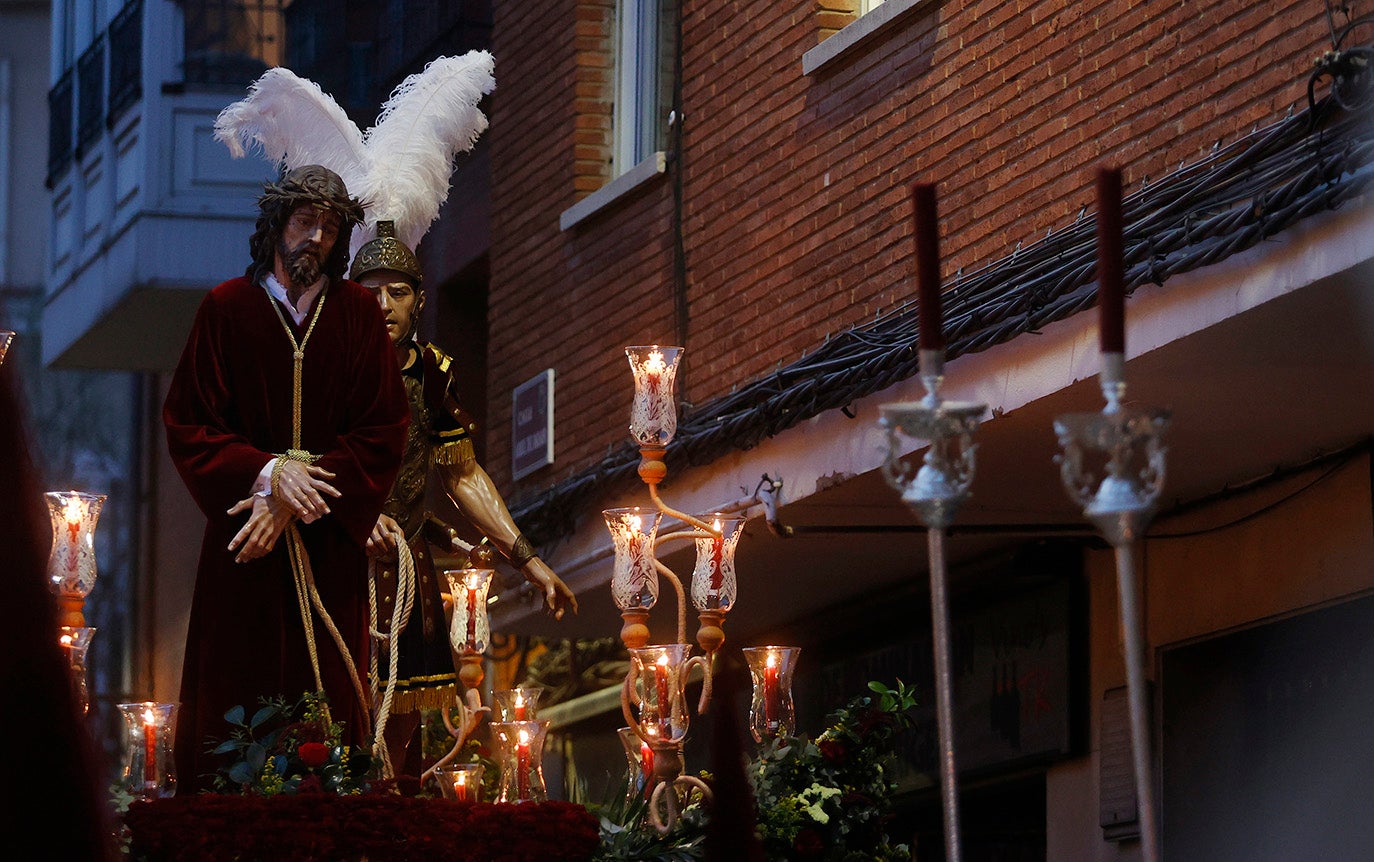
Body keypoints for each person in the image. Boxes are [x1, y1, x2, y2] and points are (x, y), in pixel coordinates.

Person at [163, 165, 410, 792]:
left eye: (329, 228)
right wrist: (267, 475)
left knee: (328, 700)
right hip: (246, 548)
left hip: (328, 547)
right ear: (277, 223)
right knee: (235, 698)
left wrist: (296, 492)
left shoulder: (357, 314)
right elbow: (190, 422)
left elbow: (383, 428)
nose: (316, 238)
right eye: (305, 222)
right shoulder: (226, 309)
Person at [353, 221, 578, 787]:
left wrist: (529, 559)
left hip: (406, 572)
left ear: (419, 300)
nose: (383, 305)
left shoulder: (430, 372)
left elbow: (463, 474)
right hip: (339, 567)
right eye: (369, 292)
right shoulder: (327, 371)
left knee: (400, 735)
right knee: (339, 716)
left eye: (397, 291)